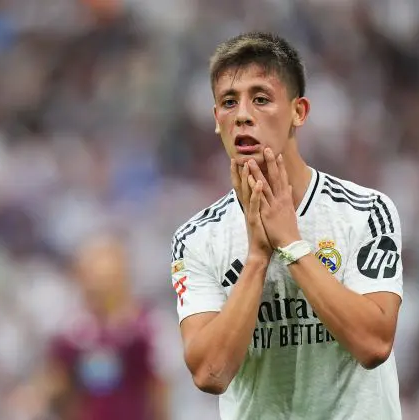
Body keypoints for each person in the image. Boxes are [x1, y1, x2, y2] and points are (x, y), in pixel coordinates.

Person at [171, 32, 403, 420]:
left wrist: (292, 245)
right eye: (229, 102)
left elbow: (374, 344)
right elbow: (210, 372)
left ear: (299, 111)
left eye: (260, 99)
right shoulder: (195, 238)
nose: (243, 114)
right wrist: (258, 257)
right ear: (217, 120)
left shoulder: (366, 211)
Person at [8, 233, 169, 420]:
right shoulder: (73, 328)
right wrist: (35, 394)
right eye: (87, 274)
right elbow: (57, 376)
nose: (93, 284)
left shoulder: (148, 327)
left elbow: (160, 390)